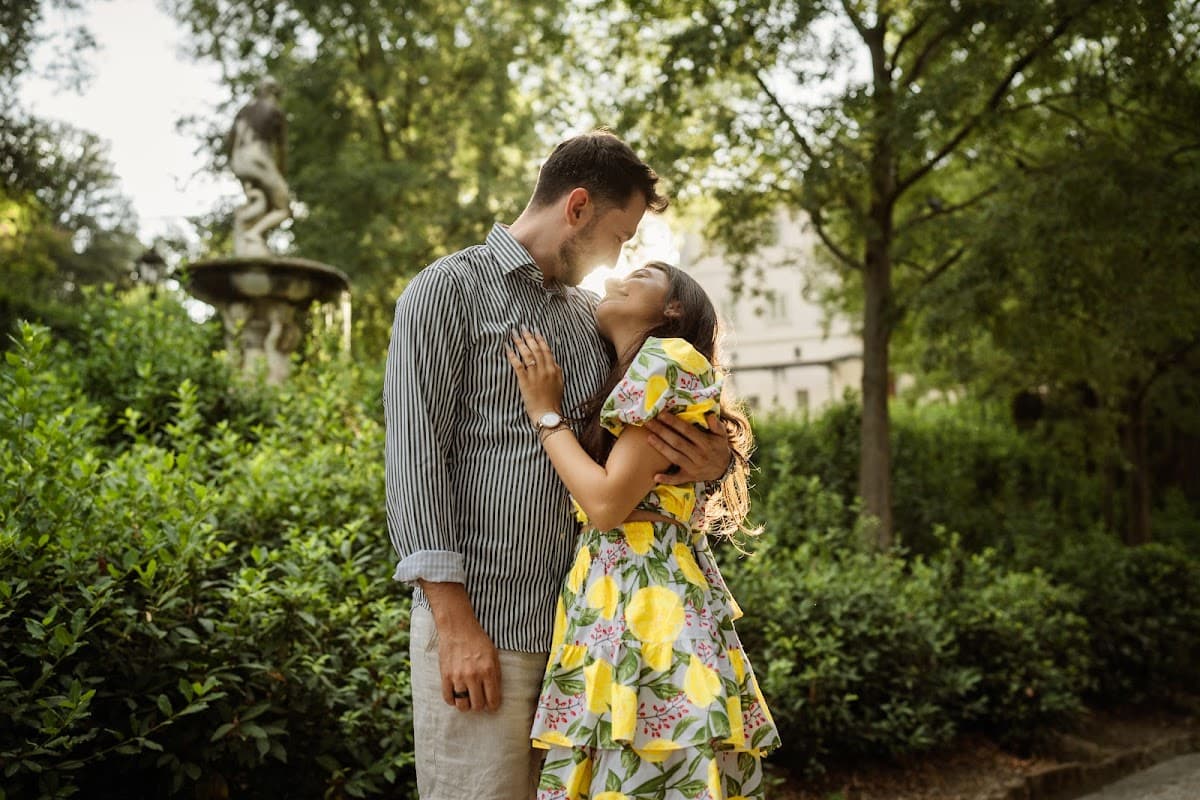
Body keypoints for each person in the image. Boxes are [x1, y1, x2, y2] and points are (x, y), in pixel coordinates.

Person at [384, 131, 733, 800]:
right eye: (622, 237)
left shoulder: (590, 322)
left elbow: (641, 434)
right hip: (488, 627)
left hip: (591, 642)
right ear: (577, 208)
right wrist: (456, 628)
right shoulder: (444, 291)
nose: (620, 258)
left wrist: (713, 459)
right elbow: (414, 461)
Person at [505, 261, 781, 799]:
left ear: (672, 308)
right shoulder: (632, 372)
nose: (620, 275)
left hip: (646, 600)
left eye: (645, 273)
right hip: (621, 593)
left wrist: (545, 413)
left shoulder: (667, 361)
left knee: (644, 768)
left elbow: (607, 503)